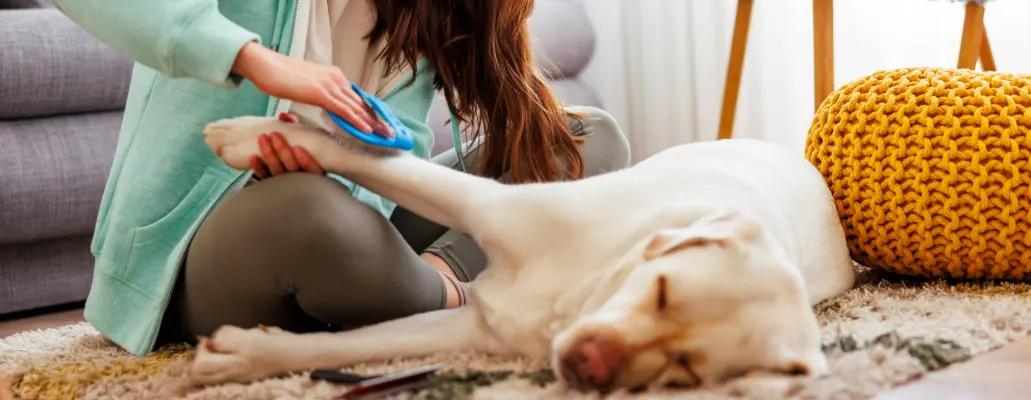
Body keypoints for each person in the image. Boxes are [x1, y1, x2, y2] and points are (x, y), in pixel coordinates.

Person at [52, 0, 631, 357]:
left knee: (580, 139)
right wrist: (253, 59)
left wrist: (335, 166)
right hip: (201, 254)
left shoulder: (422, 13)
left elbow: (390, 165)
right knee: (309, 214)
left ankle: (436, 283)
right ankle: (464, 297)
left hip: (347, 218)